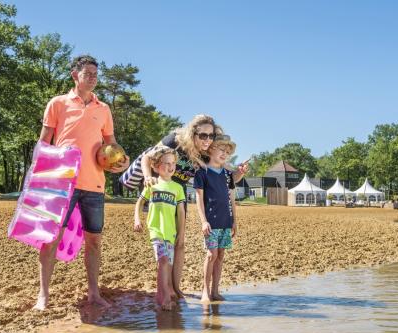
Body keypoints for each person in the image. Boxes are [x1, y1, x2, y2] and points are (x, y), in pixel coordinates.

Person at [34, 55, 129, 310]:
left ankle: (94, 293)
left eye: (95, 74)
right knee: (51, 238)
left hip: (94, 184)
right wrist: (36, 175)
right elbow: (44, 143)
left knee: (94, 241)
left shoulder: (104, 109)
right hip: (62, 183)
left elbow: (112, 146)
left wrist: (122, 162)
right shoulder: (57, 104)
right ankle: (43, 295)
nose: (93, 78)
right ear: (74, 75)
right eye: (88, 73)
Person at [138, 114, 249, 297]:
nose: (207, 140)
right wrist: (148, 176)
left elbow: (226, 177)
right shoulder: (175, 141)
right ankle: (166, 289)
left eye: (211, 136)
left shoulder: (205, 154)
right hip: (161, 192)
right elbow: (146, 158)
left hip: (179, 193)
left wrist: (239, 172)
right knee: (165, 241)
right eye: (203, 135)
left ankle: (176, 287)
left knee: (180, 242)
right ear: (193, 133)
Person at [133, 146, 186, 310]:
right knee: (163, 261)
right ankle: (165, 299)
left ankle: (160, 294)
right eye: (166, 163)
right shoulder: (152, 184)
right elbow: (140, 202)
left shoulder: (178, 188)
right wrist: (137, 219)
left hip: (171, 232)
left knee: (166, 265)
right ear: (155, 167)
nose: (170, 167)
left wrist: (181, 234)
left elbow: (181, 212)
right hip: (155, 230)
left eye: (173, 163)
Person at [193, 135, 237, 303]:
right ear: (211, 149)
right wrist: (203, 221)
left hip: (226, 221)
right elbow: (198, 198)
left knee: (220, 255)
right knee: (211, 255)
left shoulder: (228, 174)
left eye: (228, 151)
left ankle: (215, 291)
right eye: (222, 149)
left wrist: (234, 222)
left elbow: (231, 199)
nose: (225, 153)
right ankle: (205, 290)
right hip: (211, 222)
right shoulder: (202, 172)